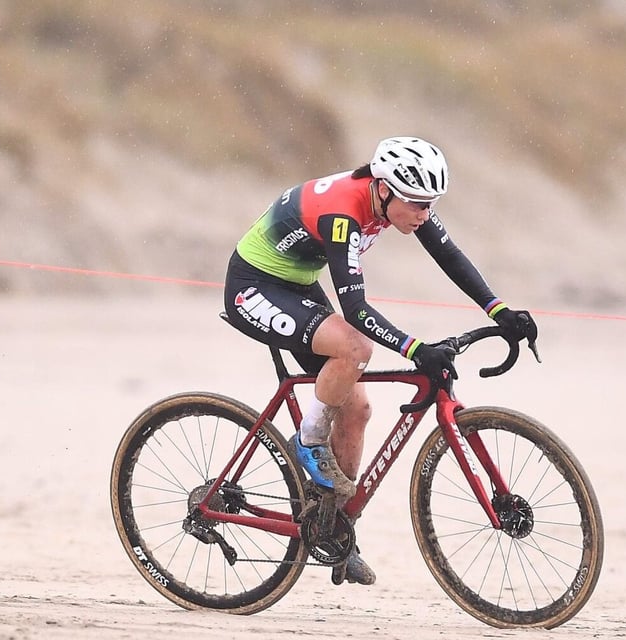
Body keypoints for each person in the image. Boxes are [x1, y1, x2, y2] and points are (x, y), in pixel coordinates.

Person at [222, 136, 538, 585]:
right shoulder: (343, 214)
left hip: (295, 284)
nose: (424, 214)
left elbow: (448, 254)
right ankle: (308, 442)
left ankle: (334, 529)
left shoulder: (399, 199)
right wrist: (416, 349)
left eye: (431, 204)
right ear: (384, 190)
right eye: (417, 204)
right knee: (355, 348)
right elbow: (356, 312)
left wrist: (500, 311)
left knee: (357, 409)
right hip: (255, 285)